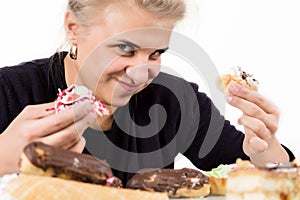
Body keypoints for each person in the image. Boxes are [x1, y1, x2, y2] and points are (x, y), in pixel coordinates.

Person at [0, 0, 294, 185]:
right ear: (73, 28)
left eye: (156, 54)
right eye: (125, 49)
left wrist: (267, 154)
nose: (141, 72)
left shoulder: (175, 100)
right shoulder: (9, 91)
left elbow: (257, 173)